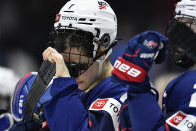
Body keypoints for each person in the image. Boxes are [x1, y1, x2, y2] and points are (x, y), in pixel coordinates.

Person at [10, 0, 127, 130]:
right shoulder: (74, 90)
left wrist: (64, 88)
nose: (71, 76)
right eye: (66, 67)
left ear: (101, 51)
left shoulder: (124, 96)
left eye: (77, 67)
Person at [114, 0, 196, 130]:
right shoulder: (182, 80)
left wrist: (139, 89)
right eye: (178, 24)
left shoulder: (190, 83)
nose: (177, 33)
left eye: (187, 24)